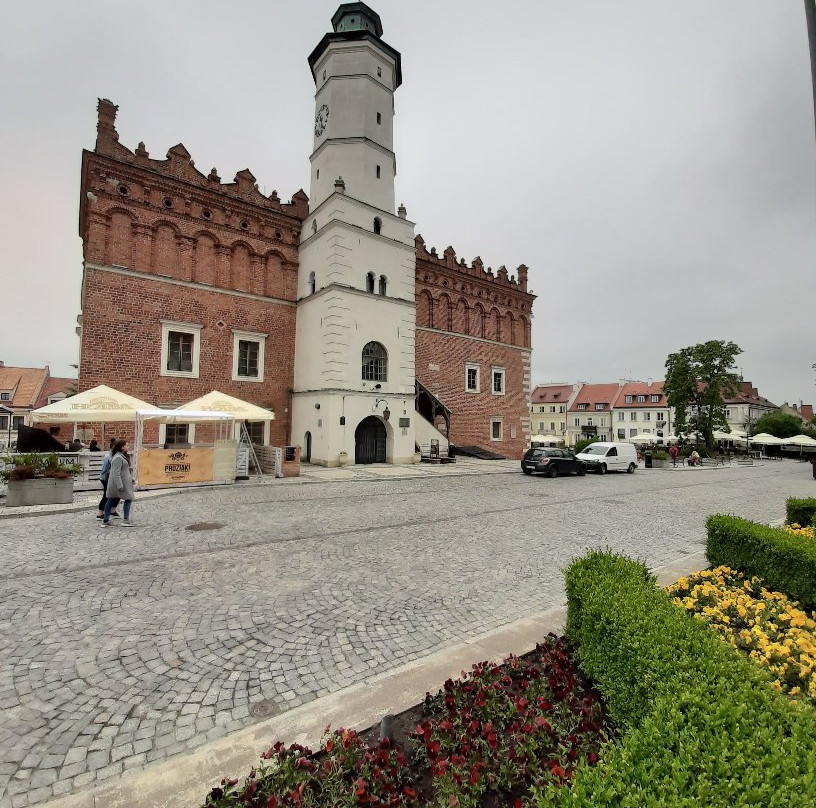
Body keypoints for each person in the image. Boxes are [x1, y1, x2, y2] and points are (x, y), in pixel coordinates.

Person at [102, 440, 135, 527]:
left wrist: (130, 479)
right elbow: (116, 473)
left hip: (122, 482)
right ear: (122, 447)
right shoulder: (118, 458)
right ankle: (125, 520)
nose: (128, 446)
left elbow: (124, 471)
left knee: (111, 500)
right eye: (127, 445)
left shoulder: (121, 457)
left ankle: (105, 520)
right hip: (119, 484)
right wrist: (120, 485)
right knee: (128, 499)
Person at [97, 438, 121, 520]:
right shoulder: (108, 456)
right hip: (106, 478)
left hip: (114, 478)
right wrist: (104, 477)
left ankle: (112, 510)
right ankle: (100, 513)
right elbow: (104, 469)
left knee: (117, 494)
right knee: (106, 495)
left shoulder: (117, 455)